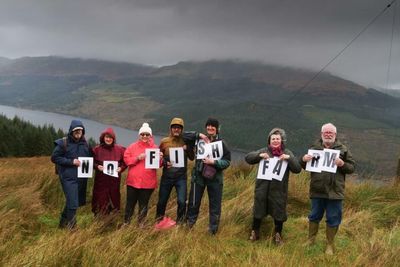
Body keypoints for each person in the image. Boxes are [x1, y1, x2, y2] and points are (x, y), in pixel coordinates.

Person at [300, 123, 355, 255]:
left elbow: (352, 168)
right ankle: (311, 239)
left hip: (335, 191)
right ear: (321, 134)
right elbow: (303, 165)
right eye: (326, 132)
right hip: (317, 189)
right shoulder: (314, 148)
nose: (328, 134)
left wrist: (342, 164)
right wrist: (303, 159)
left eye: (331, 132)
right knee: (314, 216)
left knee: (333, 217)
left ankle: (330, 244)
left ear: (335, 135)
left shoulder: (343, 149)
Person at [245, 128, 301, 245]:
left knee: (279, 212)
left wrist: (288, 158)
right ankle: (255, 232)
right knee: (258, 210)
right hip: (262, 188)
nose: (275, 141)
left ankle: (278, 235)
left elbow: (297, 169)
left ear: (282, 140)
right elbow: (248, 158)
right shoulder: (264, 150)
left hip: (279, 190)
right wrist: (259, 155)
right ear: (269, 140)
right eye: (273, 139)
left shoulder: (287, 153)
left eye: (278, 139)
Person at [186, 118, 231, 235]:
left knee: (215, 205)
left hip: (215, 179)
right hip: (198, 177)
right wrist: (198, 134)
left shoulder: (222, 143)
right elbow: (183, 136)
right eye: (208, 126)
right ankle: (189, 226)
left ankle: (212, 231)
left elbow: (227, 161)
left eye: (213, 126)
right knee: (193, 203)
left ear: (217, 129)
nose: (210, 128)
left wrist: (214, 163)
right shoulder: (199, 139)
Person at [51, 119, 91, 229]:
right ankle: (72, 228)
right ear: (71, 131)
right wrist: (71, 162)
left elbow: (91, 157)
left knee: (72, 201)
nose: (78, 132)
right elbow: (54, 158)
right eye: (76, 130)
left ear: (83, 131)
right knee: (73, 203)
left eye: (80, 130)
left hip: (80, 178)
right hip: (67, 177)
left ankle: (62, 224)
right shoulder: (63, 143)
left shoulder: (86, 144)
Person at [156, 118, 195, 224]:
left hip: (181, 178)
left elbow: (192, 158)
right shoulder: (164, 142)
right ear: (171, 128)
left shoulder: (186, 141)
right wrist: (164, 162)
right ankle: (159, 222)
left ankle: (180, 223)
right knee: (162, 201)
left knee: (182, 202)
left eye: (179, 128)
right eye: (174, 127)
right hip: (167, 177)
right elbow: (157, 157)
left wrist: (188, 149)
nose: (176, 129)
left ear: (182, 129)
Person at [124, 122, 162, 225]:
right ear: (139, 135)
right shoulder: (132, 147)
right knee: (130, 205)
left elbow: (158, 165)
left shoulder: (155, 148)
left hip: (147, 183)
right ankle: (126, 223)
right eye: (142, 134)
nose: (144, 136)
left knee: (143, 205)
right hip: (132, 183)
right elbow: (126, 160)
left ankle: (141, 225)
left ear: (150, 136)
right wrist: (137, 158)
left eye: (147, 134)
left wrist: (160, 158)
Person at [91, 127, 127, 217]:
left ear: (113, 139)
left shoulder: (120, 149)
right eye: (106, 137)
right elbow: (90, 161)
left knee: (114, 199)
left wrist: (121, 168)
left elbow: (125, 162)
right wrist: (97, 166)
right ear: (103, 137)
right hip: (101, 182)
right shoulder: (96, 149)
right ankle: (99, 218)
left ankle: (112, 218)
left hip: (114, 181)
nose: (108, 139)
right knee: (100, 199)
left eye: (110, 137)